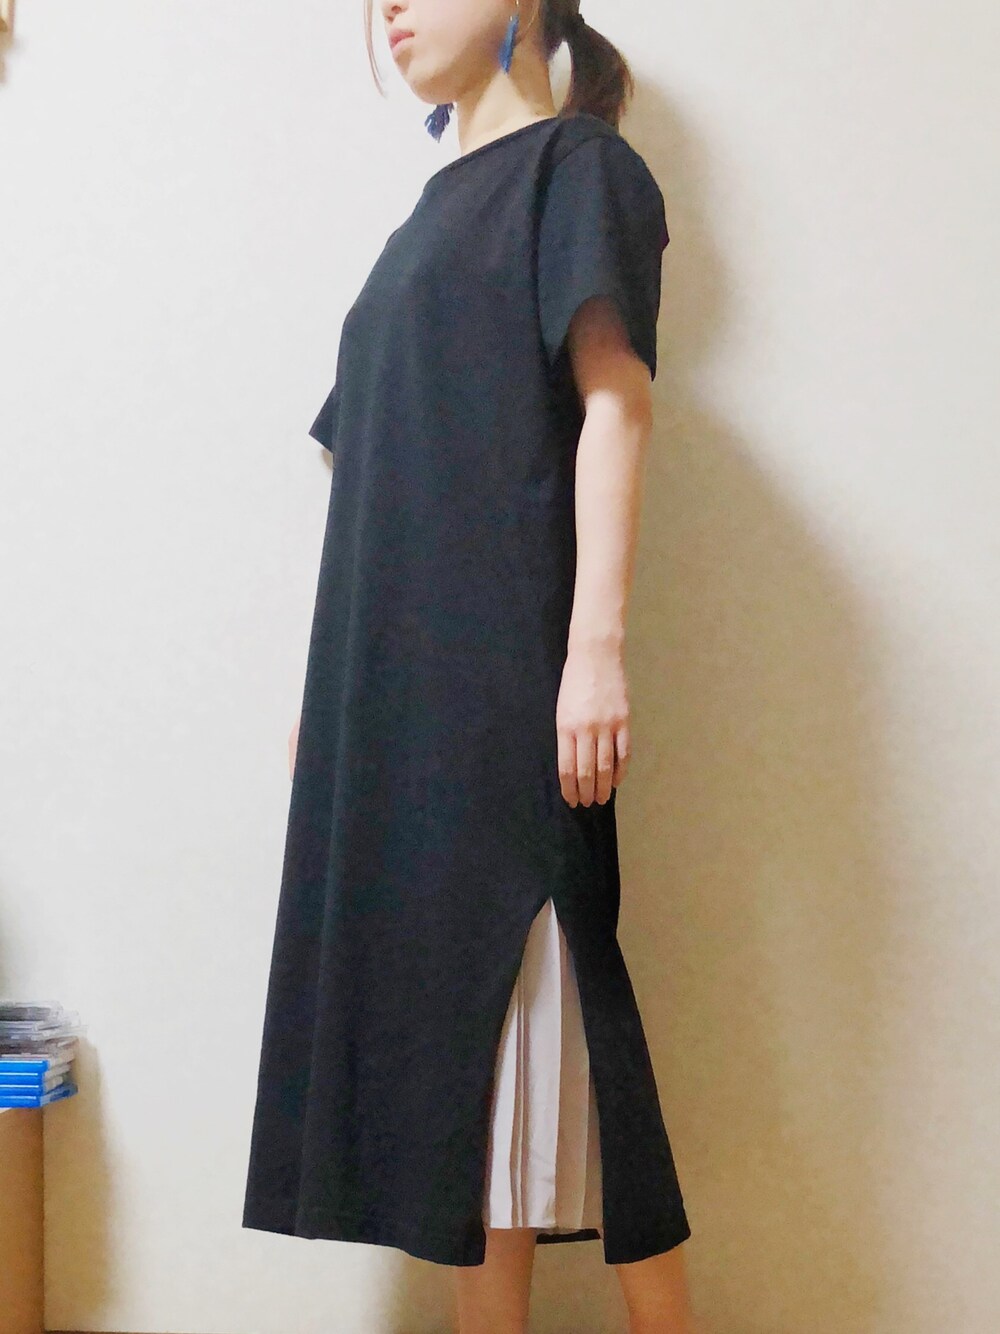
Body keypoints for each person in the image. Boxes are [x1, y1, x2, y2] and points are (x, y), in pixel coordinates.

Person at [243, 2, 701, 1331]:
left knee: (561, 1015)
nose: (386, 8)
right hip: (392, 702)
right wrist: (322, 697)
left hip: (503, 679)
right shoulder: (417, 227)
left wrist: (595, 649)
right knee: (458, 1076)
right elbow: (368, 478)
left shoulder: (579, 169)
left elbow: (616, 401)